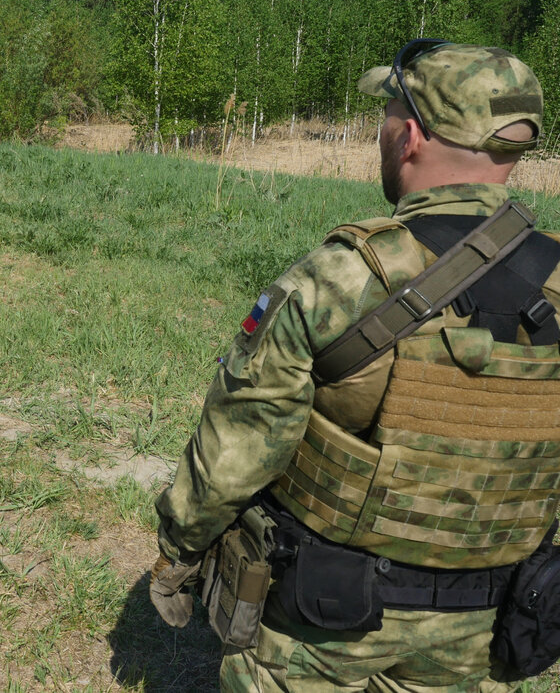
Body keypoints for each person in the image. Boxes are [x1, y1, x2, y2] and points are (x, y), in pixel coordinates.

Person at [149, 41, 560, 692]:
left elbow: (241, 440)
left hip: (325, 618)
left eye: (389, 111)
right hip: (488, 627)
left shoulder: (343, 275)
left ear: (412, 134)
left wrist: (180, 549)